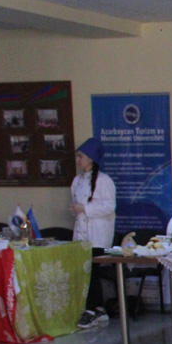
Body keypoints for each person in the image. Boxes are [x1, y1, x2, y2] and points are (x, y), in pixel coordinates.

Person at [71, 136, 115, 328]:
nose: (78, 160)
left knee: (93, 272)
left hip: (97, 235)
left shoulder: (104, 181)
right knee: (84, 271)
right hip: (81, 233)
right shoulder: (77, 181)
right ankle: (92, 307)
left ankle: (95, 309)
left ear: (91, 158)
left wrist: (86, 209)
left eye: (81, 156)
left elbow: (109, 206)